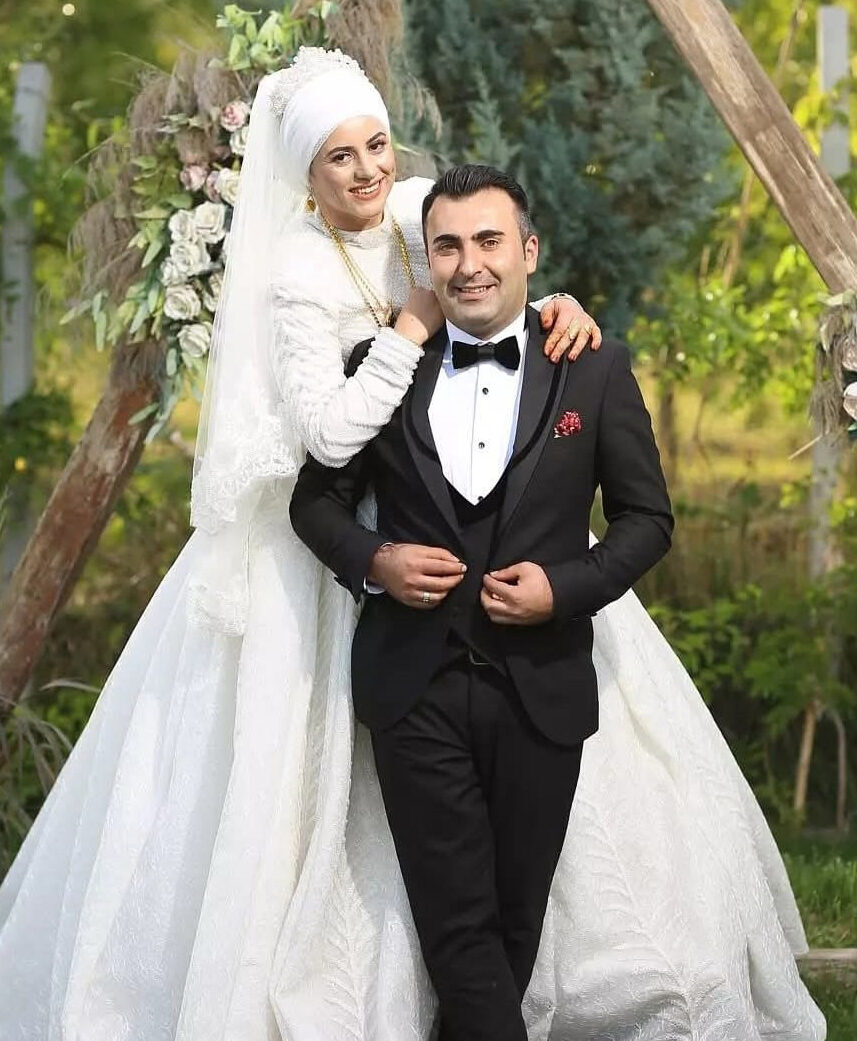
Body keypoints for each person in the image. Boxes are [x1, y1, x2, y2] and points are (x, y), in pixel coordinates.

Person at [0, 49, 597, 1041]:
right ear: (304, 175)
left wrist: (554, 310)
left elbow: (484, 278)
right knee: (309, 772)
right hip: (331, 531)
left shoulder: (415, 208)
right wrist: (407, 330)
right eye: (337, 158)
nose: (366, 170)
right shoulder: (293, 271)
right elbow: (326, 434)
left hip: (455, 513)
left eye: (375, 145)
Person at [288, 161, 677, 1040]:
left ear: (528, 252)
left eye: (489, 241)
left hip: (542, 684)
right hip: (411, 681)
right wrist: (376, 560)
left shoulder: (592, 369)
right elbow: (313, 504)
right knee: (454, 917)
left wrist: (563, 588)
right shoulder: (381, 366)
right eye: (447, 246)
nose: (469, 264)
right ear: (425, 260)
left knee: (513, 918)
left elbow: (647, 520)